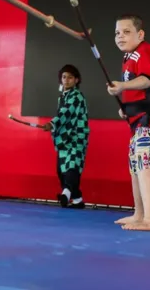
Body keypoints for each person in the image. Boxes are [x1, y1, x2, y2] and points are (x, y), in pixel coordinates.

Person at [106, 14, 150, 232]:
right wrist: (126, 108)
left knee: (145, 164)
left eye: (127, 32)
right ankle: (140, 214)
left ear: (140, 34)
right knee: (135, 166)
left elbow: (148, 80)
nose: (120, 36)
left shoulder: (144, 51)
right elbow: (140, 92)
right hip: (140, 118)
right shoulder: (128, 58)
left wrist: (121, 86)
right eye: (117, 33)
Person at [43, 64, 90, 209]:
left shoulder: (77, 96)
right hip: (64, 139)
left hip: (76, 137)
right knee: (61, 169)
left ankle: (66, 193)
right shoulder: (63, 96)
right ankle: (77, 200)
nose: (66, 80)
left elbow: (65, 112)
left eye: (70, 77)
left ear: (76, 80)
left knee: (72, 166)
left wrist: (52, 123)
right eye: (64, 77)